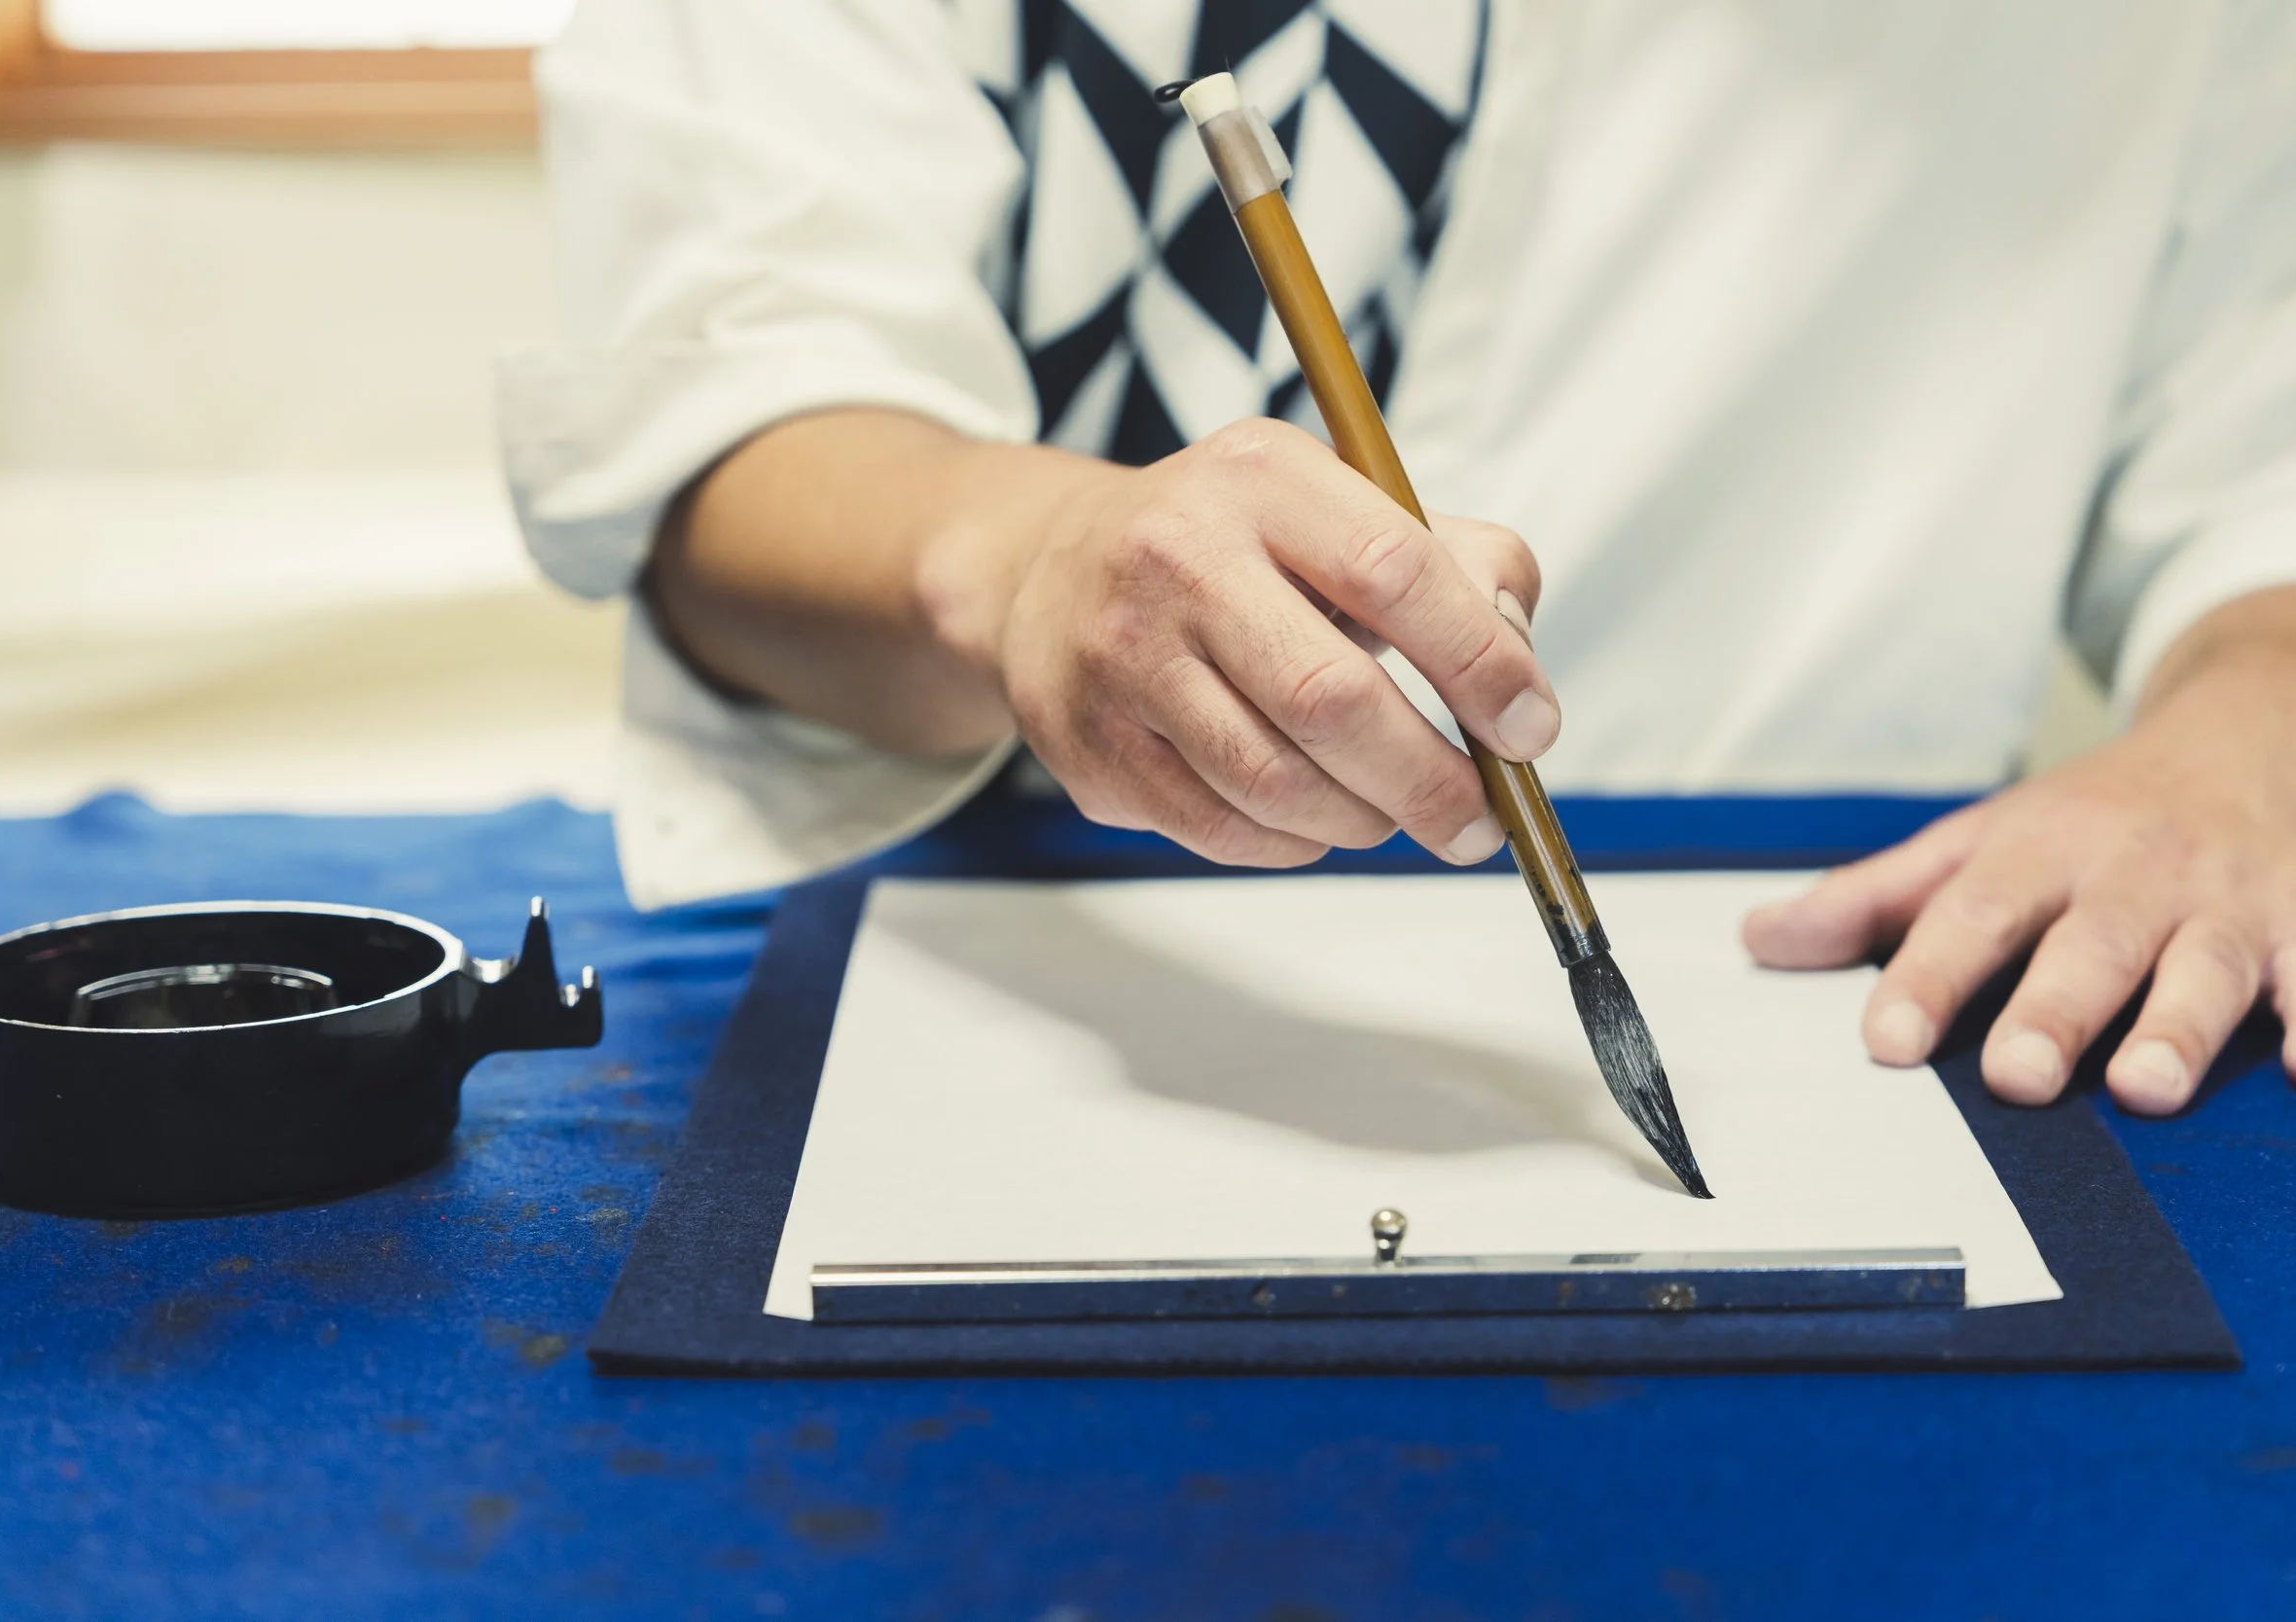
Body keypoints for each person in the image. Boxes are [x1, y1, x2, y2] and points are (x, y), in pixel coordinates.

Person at [499, 0, 2296, 1117]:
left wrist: (2246, 733)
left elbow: (2258, 485)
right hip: (968, 956)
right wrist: (1036, 554)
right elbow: (720, 433)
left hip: (1829, 975)